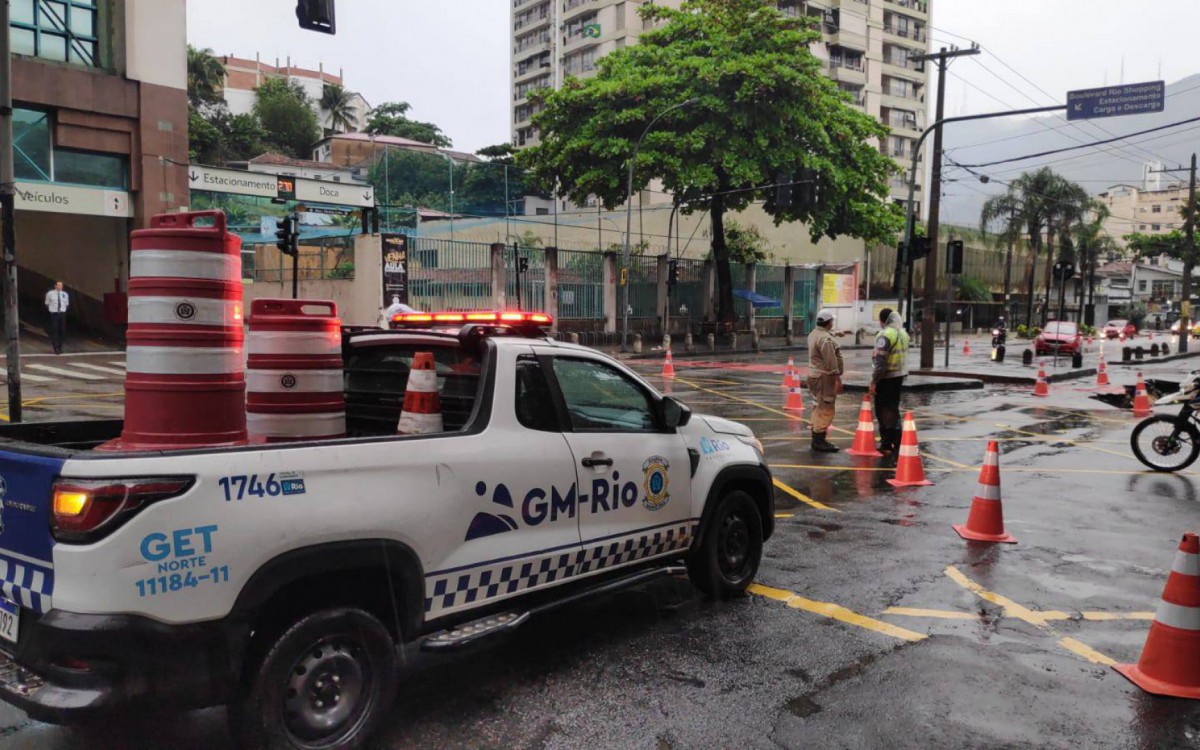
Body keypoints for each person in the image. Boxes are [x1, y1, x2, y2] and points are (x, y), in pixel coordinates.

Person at [870, 308, 910, 454]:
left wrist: (874, 381)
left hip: (886, 378)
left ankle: (886, 443)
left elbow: (880, 362)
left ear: (882, 321)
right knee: (893, 408)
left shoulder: (885, 335)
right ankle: (897, 441)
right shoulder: (903, 334)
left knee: (882, 410)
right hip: (899, 377)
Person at [807, 308, 844, 453]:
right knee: (826, 408)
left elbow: (822, 338)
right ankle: (819, 441)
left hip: (814, 375)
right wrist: (837, 379)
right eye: (832, 321)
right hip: (824, 377)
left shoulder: (813, 334)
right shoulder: (826, 340)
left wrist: (836, 334)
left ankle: (817, 438)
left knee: (818, 406)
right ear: (828, 322)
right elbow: (830, 362)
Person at [44, 281, 69, 354]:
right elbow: (47, 303)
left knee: (62, 330)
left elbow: (66, 304)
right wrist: (51, 310)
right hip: (54, 313)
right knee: (54, 330)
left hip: (62, 313)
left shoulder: (65, 294)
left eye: (61, 286)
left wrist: (63, 311)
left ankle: (60, 346)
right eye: (58, 285)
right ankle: (55, 348)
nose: (60, 287)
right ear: (55, 286)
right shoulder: (50, 294)